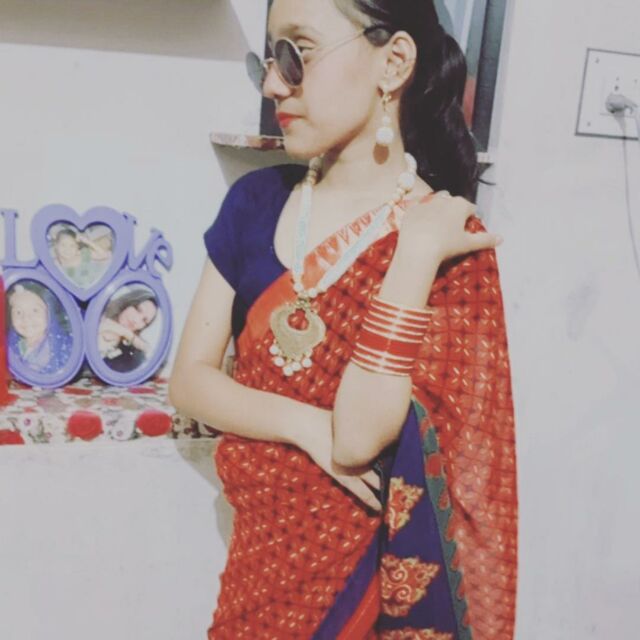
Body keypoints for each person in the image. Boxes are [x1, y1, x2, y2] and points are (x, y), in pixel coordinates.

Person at [170, 1, 518, 638]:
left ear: (394, 62)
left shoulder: (444, 239)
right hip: (256, 573)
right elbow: (190, 381)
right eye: (268, 60)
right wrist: (306, 424)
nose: (273, 84)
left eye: (296, 54)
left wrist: (413, 253)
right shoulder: (255, 202)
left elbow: (357, 439)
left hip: (368, 598)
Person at [7, 283, 73, 375]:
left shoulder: (61, 347)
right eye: (18, 312)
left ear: (49, 312)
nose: (26, 318)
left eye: (35, 310)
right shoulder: (13, 345)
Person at [98, 288, 158, 373]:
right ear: (128, 303)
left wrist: (128, 335)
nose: (136, 320)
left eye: (144, 320)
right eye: (138, 309)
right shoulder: (98, 310)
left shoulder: (131, 355)